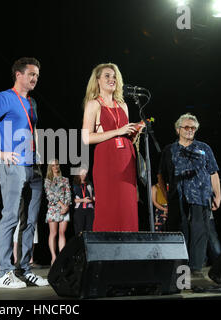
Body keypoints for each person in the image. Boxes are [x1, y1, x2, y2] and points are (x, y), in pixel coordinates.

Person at [0, 57, 48, 288]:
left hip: (33, 166)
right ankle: (4, 272)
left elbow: (32, 130)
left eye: (37, 75)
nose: (35, 78)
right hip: (13, 165)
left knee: (31, 221)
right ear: (18, 75)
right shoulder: (4, 97)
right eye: (31, 74)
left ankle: (24, 269)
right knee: (11, 217)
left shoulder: (32, 103)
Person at [158, 113, 221, 277]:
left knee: (200, 234)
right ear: (178, 129)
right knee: (180, 234)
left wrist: (218, 196)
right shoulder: (169, 150)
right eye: (186, 127)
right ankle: (180, 272)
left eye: (193, 128)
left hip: (201, 198)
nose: (190, 130)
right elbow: (161, 176)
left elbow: (213, 172)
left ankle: (196, 270)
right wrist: (167, 196)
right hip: (177, 200)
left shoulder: (204, 148)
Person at [81, 62, 140, 232]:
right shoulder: (93, 104)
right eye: (107, 76)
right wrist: (118, 131)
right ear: (98, 80)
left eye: (114, 76)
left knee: (127, 206)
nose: (112, 79)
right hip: (107, 160)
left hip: (126, 158)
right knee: (109, 205)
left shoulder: (123, 105)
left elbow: (123, 133)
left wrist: (132, 133)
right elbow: (86, 137)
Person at [44, 159, 71, 266]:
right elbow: (50, 195)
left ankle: (61, 257)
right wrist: (62, 205)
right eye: (53, 165)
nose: (55, 167)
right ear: (50, 167)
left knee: (62, 232)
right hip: (53, 208)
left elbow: (68, 194)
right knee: (53, 233)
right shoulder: (48, 180)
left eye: (57, 165)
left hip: (65, 209)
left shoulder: (65, 180)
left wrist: (67, 206)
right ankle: (53, 257)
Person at [72, 166, 95, 235]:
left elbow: (93, 196)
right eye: (82, 173)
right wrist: (83, 200)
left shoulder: (89, 184)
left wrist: (93, 199)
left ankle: (89, 246)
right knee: (79, 232)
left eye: (85, 173)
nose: (83, 175)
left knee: (90, 231)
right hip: (79, 210)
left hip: (90, 210)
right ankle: (79, 245)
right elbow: (72, 200)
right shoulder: (75, 185)